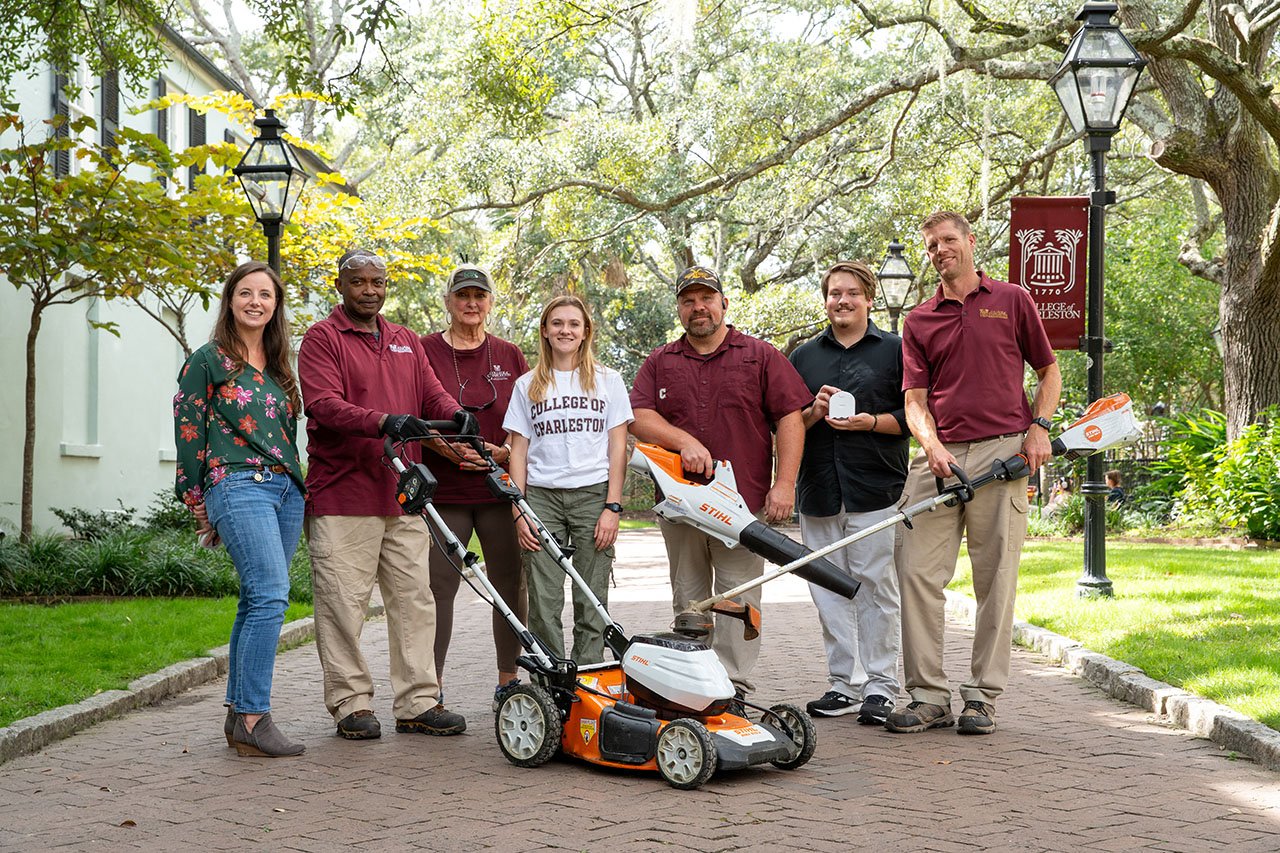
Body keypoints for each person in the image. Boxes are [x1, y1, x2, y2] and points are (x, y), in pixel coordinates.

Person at [886, 211, 1061, 736]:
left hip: (1004, 451)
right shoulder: (917, 320)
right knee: (915, 571)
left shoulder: (1012, 300)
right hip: (938, 459)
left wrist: (1040, 428)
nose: (940, 250)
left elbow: (1048, 370)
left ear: (969, 242)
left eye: (948, 240)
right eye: (932, 245)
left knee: (996, 579)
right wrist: (931, 445)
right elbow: (915, 402)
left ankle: (982, 697)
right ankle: (928, 696)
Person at [298, 248, 471, 741]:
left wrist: (456, 415)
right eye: (359, 282)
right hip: (343, 494)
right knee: (342, 605)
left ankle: (418, 701)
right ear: (341, 285)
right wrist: (383, 421)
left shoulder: (404, 340)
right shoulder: (322, 339)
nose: (370, 290)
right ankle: (351, 704)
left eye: (378, 282)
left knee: (416, 600)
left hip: (403, 494)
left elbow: (430, 393)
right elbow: (325, 405)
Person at [630, 265, 811, 700]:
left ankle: (733, 689)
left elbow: (790, 417)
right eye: (688, 300)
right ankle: (693, 686)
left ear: (723, 303)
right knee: (689, 599)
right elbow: (637, 416)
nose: (698, 308)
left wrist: (784, 484)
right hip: (679, 504)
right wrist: (683, 440)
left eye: (706, 298)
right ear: (679, 309)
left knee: (740, 600)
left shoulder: (760, 355)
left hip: (742, 506)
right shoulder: (661, 361)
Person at [173, 261, 307, 757]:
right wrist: (197, 499)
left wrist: (300, 487)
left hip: (287, 490)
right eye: (246, 293)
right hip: (237, 482)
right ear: (230, 300)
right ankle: (254, 715)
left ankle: (237, 714)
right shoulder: (207, 360)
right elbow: (188, 430)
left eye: (266, 295)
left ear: (276, 306)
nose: (256, 302)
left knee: (256, 598)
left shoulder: (278, 368)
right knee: (272, 593)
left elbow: (288, 437)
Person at [789, 260, 909, 724]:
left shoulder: (897, 351)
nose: (843, 300)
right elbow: (787, 426)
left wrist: (870, 423)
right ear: (825, 300)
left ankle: (881, 687)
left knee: (876, 589)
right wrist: (812, 413)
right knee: (827, 591)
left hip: (875, 487)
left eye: (852, 293)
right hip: (818, 491)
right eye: (835, 293)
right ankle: (844, 684)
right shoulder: (802, 358)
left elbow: (916, 417)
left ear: (869, 299)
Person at [503, 295, 633, 665]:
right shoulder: (527, 385)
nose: (565, 330)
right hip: (541, 498)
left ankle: (588, 678)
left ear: (585, 331)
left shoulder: (608, 381)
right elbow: (518, 452)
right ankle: (552, 681)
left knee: (591, 600)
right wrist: (520, 509)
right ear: (545, 331)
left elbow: (617, 448)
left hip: (593, 495)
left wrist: (612, 506)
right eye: (557, 323)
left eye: (573, 324)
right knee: (544, 600)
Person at [421, 264, 529, 706]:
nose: (471, 303)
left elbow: (528, 416)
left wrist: (505, 451)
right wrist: (445, 447)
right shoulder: (423, 349)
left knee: (510, 584)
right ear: (448, 302)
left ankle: (509, 680)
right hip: (444, 492)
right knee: (437, 590)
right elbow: (411, 409)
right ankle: (431, 688)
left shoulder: (509, 354)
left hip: (498, 490)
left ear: (489, 303)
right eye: (462, 295)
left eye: (479, 296)